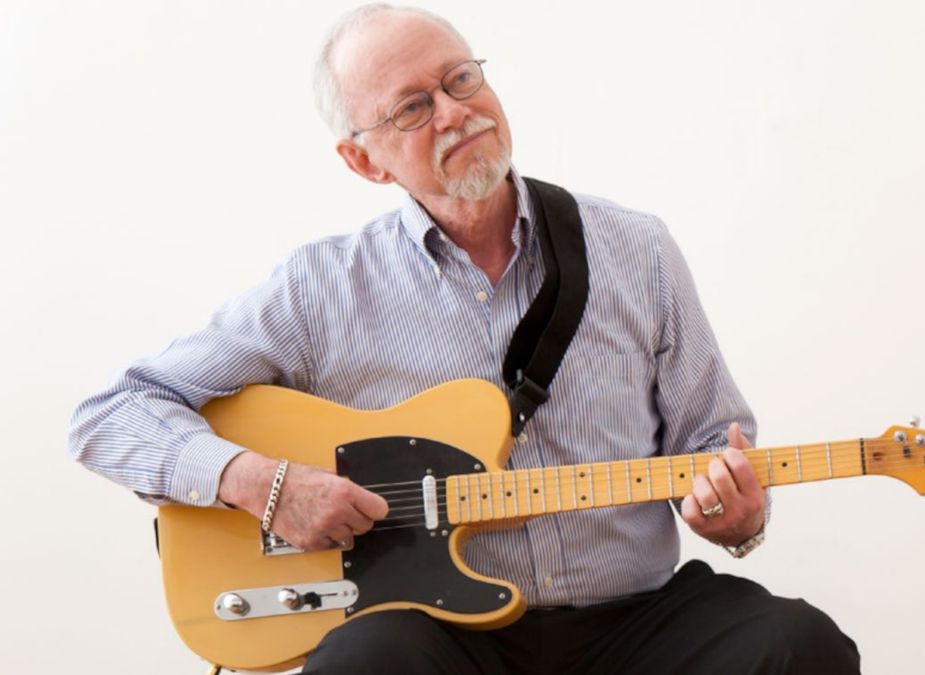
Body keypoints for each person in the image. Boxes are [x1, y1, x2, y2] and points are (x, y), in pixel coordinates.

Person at [69, 4, 860, 673]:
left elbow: (709, 445)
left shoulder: (637, 249)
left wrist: (738, 517)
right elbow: (112, 413)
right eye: (412, 107)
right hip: (443, 636)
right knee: (360, 662)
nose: (455, 112)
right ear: (362, 159)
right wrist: (265, 484)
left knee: (801, 645)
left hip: (638, 620)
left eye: (460, 79)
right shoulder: (318, 290)